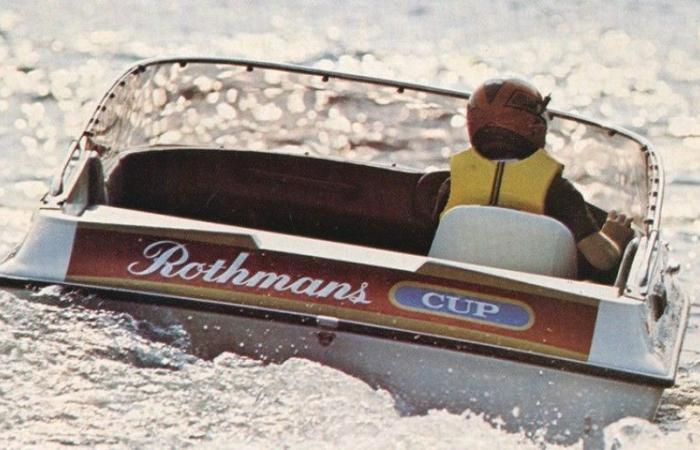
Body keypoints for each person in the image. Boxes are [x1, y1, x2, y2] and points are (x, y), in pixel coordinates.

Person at [435, 77, 634, 279]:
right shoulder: (558, 190)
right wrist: (614, 237)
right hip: (533, 298)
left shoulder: (454, 180)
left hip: (449, 286)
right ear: (535, 127)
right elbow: (602, 259)